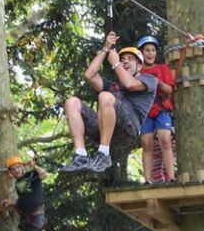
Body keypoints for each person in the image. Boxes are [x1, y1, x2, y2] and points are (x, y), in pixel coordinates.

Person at [59, 32, 158, 173]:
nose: (125, 61)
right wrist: (105, 49)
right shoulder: (114, 86)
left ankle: (103, 154)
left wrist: (116, 62)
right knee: (72, 102)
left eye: (131, 59)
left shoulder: (149, 80)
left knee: (105, 96)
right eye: (123, 59)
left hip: (127, 131)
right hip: (104, 128)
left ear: (140, 66)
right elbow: (89, 75)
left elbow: (129, 84)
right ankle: (80, 154)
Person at [137, 35, 176, 184]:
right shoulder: (138, 73)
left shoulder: (162, 69)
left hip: (161, 110)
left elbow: (169, 90)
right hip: (145, 112)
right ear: (142, 53)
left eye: (153, 50)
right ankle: (148, 179)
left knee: (165, 139)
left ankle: (171, 177)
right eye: (147, 50)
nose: (150, 53)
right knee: (147, 143)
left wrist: (157, 83)